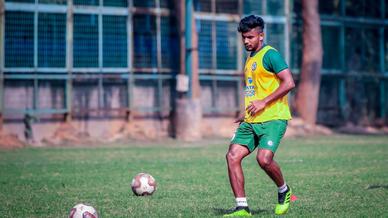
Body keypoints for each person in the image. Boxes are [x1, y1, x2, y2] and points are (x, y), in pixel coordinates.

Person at [224, 15, 295, 217]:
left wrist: (264, 102)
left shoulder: (271, 55)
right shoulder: (250, 59)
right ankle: (242, 208)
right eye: (244, 37)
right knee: (232, 156)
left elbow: (289, 82)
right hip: (252, 119)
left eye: (250, 37)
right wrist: (246, 112)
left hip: (274, 117)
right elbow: (253, 91)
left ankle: (284, 190)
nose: (246, 41)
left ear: (261, 36)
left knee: (263, 160)